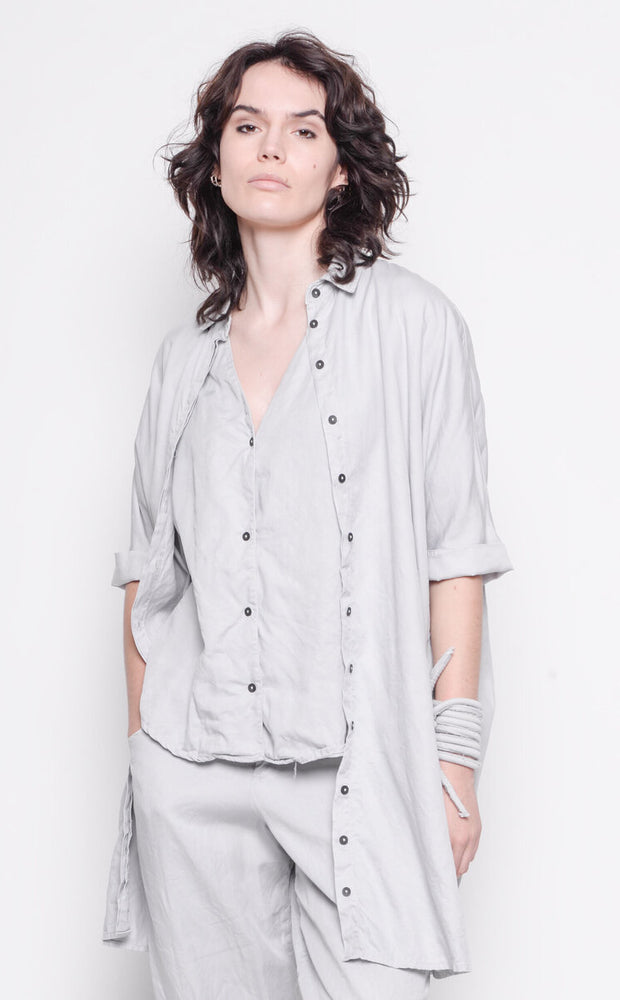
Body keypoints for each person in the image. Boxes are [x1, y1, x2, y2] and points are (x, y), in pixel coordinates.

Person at [101, 29, 513, 1000]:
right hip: (193, 773)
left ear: (340, 168)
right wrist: (145, 751)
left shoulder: (412, 325)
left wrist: (454, 764)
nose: (272, 147)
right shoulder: (182, 360)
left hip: (361, 770)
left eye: (303, 128)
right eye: (247, 126)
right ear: (217, 161)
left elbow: (454, 553)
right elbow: (148, 575)